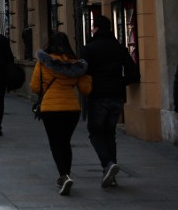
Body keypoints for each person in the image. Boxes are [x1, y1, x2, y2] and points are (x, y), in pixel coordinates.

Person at [81, 14, 140, 188]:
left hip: (98, 96)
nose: (91, 29)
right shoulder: (119, 48)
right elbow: (134, 74)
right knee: (110, 134)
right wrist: (119, 83)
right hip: (116, 96)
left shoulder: (89, 49)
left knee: (95, 132)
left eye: (93, 27)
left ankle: (108, 164)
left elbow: (82, 72)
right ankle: (110, 174)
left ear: (97, 29)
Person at [30, 32, 92, 196]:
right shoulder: (75, 64)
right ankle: (66, 175)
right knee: (65, 142)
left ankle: (64, 176)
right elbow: (86, 89)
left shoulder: (43, 63)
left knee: (56, 144)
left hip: (51, 109)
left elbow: (35, 86)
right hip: (72, 109)